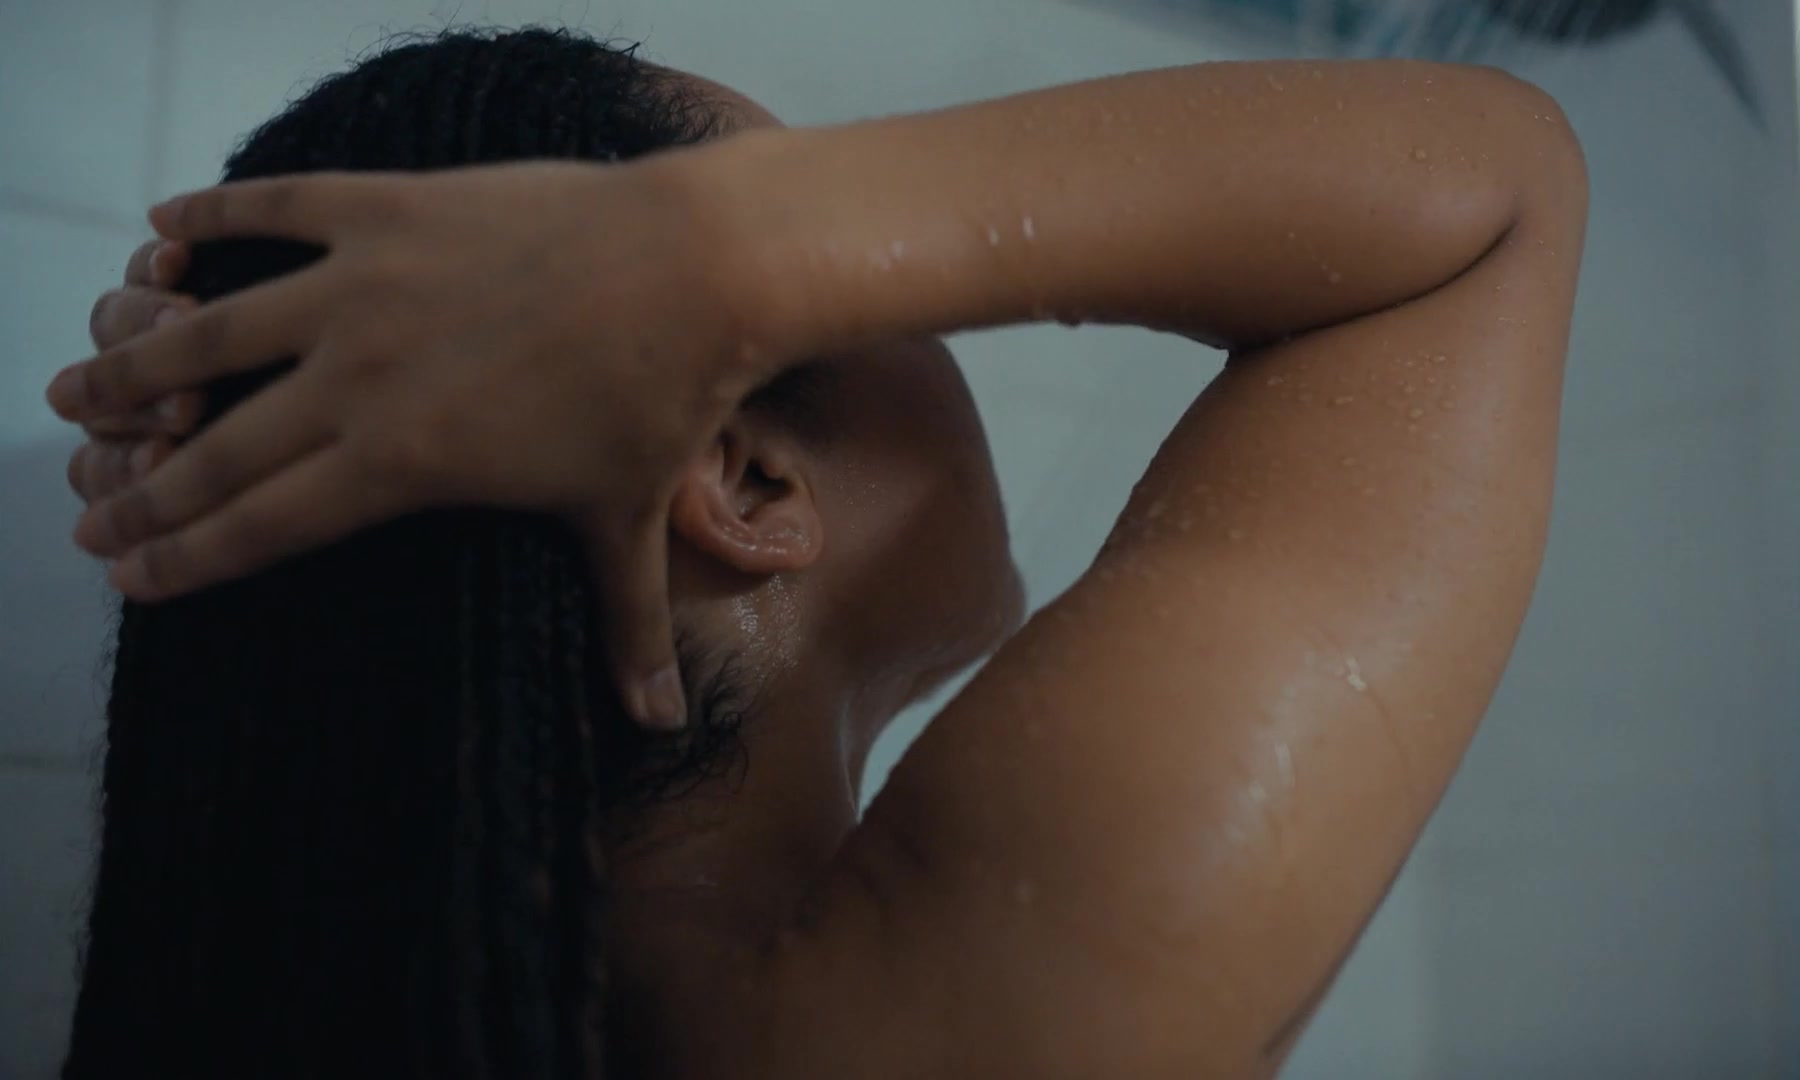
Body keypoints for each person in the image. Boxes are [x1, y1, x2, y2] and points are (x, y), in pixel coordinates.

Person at [52, 25, 1586, 1080]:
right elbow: (1491, 193)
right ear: (745, 475)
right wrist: (728, 245)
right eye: (833, 271)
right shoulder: (953, 1020)